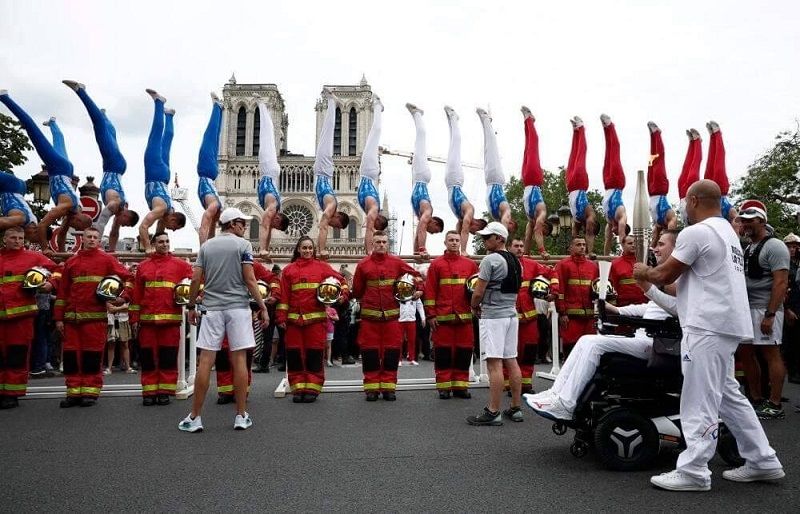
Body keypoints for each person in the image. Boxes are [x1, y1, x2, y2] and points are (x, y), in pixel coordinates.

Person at [634, 179, 784, 492]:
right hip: (723, 325)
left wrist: (643, 273)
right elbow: (687, 284)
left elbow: (665, 274)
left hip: (706, 327)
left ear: (693, 200)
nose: (684, 208)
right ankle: (762, 461)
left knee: (698, 398)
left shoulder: (697, 232)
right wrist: (652, 284)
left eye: (685, 202)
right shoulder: (728, 234)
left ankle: (694, 470)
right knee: (729, 398)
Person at [527, 230, 679, 421]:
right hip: (646, 335)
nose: (655, 249)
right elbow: (650, 307)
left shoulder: (680, 278)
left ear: (676, 247)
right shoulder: (667, 275)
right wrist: (616, 310)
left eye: (661, 244)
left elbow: (676, 309)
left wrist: (647, 286)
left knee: (593, 343)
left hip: (658, 343)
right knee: (585, 341)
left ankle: (567, 404)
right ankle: (555, 393)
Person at [180, 208, 267, 432]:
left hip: (212, 308)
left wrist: (191, 305)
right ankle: (240, 415)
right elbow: (249, 279)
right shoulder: (243, 246)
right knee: (239, 360)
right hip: (238, 308)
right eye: (242, 223)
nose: (245, 227)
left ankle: (195, 417)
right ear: (233, 224)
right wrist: (262, 305)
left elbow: (196, 278)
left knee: (206, 361)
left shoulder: (207, 246)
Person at [0, 91, 92, 251]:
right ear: (80, 220)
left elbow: (62, 234)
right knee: (33, 131)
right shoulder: (67, 206)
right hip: (57, 168)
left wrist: (62, 257)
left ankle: (53, 124)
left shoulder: (73, 211)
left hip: (66, 171)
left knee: (59, 142)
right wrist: (45, 249)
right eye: (77, 225)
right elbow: (43, 225)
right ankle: (5, 98)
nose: (71, 225)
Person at [54, 226, 132, 408]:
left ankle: (90, 393)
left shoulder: (107, 260)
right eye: (88, 236)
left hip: (95, 320)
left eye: (95, 237)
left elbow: (129, 278)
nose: (91, 239)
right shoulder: (72, 262)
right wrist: (58, 318)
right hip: (71, 320)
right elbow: (62, 293)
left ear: (99, 240)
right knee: (72, 358)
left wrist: (123, 297)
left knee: (92, 357)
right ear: (83, 239)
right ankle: (73, 393)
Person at [62, 80, 139, 251]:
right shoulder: (115, 206)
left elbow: (113, 233)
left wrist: (111, 252)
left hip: (115, 167)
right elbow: (102, 222)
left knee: (110, 134)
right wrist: (93, 243)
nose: (122, 225)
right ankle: (81, 91)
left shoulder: (119, 209)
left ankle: (104, 116)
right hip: (114, 166)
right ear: (127, 215)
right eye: (125, 224)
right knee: (100, 131)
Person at [734, 201, 790, 419]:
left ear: (762, 220)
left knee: (771, 354)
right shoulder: (749, 246)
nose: (745, 224)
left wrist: (770, 314)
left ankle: (775, 403)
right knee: (746, 353)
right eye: (743, 220)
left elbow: (781, 283)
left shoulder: (775, 246)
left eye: (749, 220)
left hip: (765, 309)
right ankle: (756, 398)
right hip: (747, 308)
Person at [275, 236, 347, 402]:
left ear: (313, 250)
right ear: (298, 249)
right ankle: (298, 388)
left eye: (310, 248)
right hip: (294, 322)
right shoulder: (288, 270)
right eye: (304, 248)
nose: (307, 251)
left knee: (314, 355)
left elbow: (341, 281)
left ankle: (313, 389)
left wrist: (342, 296)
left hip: (316, 322)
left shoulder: (322, 267)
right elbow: (284, 297)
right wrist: (281, 317)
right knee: (295, 356)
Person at [352, 231, 421, 401]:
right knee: (370, 353)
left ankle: (389, 388)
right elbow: (357, 290)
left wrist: (418, 289)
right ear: (372, 244)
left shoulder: (396, 262)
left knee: (391, 352)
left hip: (391, 318)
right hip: (369, 319)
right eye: (378, 242)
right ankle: (371, 388)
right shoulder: (363, 265)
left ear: (387, 244)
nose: (381, 245)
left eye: (384, 242)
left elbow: (416, 275)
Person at [466, 222, 523, 425]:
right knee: (512, 360)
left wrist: (474, 306)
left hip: (494, 316)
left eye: (487, 236)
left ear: (499, 238)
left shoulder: (490, 260)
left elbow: (478, 291)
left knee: (494, 364)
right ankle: (515, 408)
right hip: (511, 315)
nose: (484, 240)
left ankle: (493, 411)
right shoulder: (517, 261)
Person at [129, 232, 193, 406]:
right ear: (153, 244)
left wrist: (195, 298)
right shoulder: (143, 267)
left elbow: (195, 282)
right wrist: (134, 319)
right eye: (161, 242)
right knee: (148, 358)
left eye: (167, 241)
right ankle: (149, 392)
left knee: (168, 357)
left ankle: (164, 391)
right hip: (147, 322)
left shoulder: (180, 265)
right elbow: (136, 295)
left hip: (171, 322)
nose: (165, 244)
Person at [0, 226, 57, 409]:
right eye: (14, 238)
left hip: (21, 318)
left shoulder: (33, 257)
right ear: (4, 240)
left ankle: (12, 394)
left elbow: (58, 270)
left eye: (21, 238)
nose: (18, 241)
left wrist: (50, 283)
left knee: (17, 356)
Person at [424, 231, 478, 398]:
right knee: (443, 353)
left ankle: (461, 386)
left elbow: (476, 289)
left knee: (464, 352)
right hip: (443, 318)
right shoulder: (436, 264)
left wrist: (476, 307)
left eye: (457, 240)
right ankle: (444, 387)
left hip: (464, 317)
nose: (454, 243)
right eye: (451, 240)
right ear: (445, 243)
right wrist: (431, 315)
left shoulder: (470, 265)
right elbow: (430, 291)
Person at [139, 89, 186, 253]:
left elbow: (159, 232)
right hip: (155, 174)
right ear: (173, 218)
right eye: (174, 227)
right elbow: (143, 226)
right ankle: (159, 103)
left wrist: (156, 245)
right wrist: (147, 248)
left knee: (166, 144)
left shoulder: (165, 213)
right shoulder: (160, 209)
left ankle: (169, 116)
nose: (171, 230)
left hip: (163, 176)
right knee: (155, 138)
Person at [508, 237, 557, 394]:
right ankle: (510, 384)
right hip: (509, 317)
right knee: (511, 352)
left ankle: (526, 384)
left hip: (529, 317)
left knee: (529, 351)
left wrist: (554, 291)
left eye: (522, 246)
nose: (520, 248)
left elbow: (551, 272)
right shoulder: (502, 263)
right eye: (516, 245)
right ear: (509, 247)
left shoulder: (531, 264)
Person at [444, 106, 487, 254]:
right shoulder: (470, 210)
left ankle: (451, 120)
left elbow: (458, 231)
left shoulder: (461, 219)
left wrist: (457, 251)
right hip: (455, 180)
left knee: (452, 147)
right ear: (478, 224)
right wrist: (463, 251)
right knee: (455, 146)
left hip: (450, 182)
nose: (473, 232)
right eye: (475, 231)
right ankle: (454, 119)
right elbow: (465, 230)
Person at [314, 88, 350, 260]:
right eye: (337, 226)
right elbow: (322, 226)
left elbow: (323, 225)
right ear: (338, 219)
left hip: (321, 170)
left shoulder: (330, 206)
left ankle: (332, 103)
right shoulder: (331, 207)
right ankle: (332, 102)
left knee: (325, 136)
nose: (333, 226)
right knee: (327, 135)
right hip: (324, 170)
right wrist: (321, 250)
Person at [406, 103, 444, 258]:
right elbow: (422, 227)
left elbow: (418, 231)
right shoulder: (428, 211)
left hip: (418, 178)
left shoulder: (422, 216)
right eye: (434, 231)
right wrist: (422, 249)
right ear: (434, 222)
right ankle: (418, 115)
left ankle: (417, 116)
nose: (431, 233)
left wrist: (415, 252)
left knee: (418, 145)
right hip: (422, 177)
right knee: (420, 143)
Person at [255, 97, 290, 259]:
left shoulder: (273, 208)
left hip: (268, 170)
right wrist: (262, 249)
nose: (272, 226)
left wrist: (265, 250)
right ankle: (262, 104)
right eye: (276, 225)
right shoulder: (272, 208)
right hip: (268, 169)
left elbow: (267, 228)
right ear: (278, 219)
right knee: (267, 135)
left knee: (267, 137)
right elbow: (264, 225)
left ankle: (264, 106)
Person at [354, 95, 388, 255]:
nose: (374, 220)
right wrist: (369, 251)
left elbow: (369, 228)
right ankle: (378, 108)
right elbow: (369, 229)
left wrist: (369, 251)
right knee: (374, 134)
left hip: (366, 171)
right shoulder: (374, 209)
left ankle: (377, 108)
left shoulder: (371, 209)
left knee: (373, 136)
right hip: (369, 171)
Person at [554, 237, 598, 356]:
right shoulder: (562, 265)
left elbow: (597, 290)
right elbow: (560, 290)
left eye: (584, 244)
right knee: (571, 350)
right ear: (571, 248)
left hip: (589, 317)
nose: (582, 247)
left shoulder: (593, 266)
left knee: (589, 351)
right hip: (570, 317)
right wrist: (562, 313)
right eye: (578, 244)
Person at [477, 108, 516, 235]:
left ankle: (486, 123)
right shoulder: (506, 211)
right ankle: (486, 120)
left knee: (488, 150)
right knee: (491, 148)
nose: (506, 226)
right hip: (496, 180)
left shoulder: (496, 217)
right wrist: (503, 236)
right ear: (511, 223)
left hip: (489, 181)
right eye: (508, 228)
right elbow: (505, 220)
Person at [565, 116, 598, 252]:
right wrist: (590, 253)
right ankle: (582, 128)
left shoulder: (577, 221)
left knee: (573, 155)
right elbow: (589, 235)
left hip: (570, 186)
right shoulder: (589, 216)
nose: (588, 228)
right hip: (580, 184)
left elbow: (574, 237)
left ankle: (575, 131)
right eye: (590, 228)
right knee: (581, 155)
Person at [520, 107, 549, 259]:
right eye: (544, 232)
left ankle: (527, 121)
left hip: (526, 182)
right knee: (533, 146)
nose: (541, 233)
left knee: (527, 148)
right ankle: (529, 120)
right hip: (534, 179)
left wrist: (526, 253)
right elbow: (537, 229)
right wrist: (542, 250)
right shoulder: (542, 212)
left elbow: (528, 236)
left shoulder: (530, 220)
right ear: (545, 225)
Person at [197, 94, 225, 245]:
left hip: (210, 174)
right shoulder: (214, 205)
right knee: (210, 138)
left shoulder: (216, 206)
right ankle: (217, 107)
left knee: (213, 139)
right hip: (206, 172)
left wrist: (206, 248)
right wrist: (203, 248)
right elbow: (204, 227)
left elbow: (209, 230)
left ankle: (219, 109)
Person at [647, 121, 678, 248]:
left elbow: (653, 244)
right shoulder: (669, 217)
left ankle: (652, 137)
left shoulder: (657, 226)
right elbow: (673, 223)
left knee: (651, 161)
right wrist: (667, 233)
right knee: (659, 161)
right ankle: (657, 135)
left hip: (651, 191)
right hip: (660, 189)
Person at [600, 114, 628, 255]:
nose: (613, 231)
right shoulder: (621, 217)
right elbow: (622, 236)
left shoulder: (609, 221)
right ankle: (610, 126)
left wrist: (604, 258)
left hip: (607, 184)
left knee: (607, 152)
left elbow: (607, 241)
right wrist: (624, 252)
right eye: (615, 232)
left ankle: (605, 128)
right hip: (617, 183)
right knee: (614, 151)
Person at [704, 121, 737, 222]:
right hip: (720, 191)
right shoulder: (730, 212)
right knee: (718, 163)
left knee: (710, 163)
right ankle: (717, 134)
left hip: (708, 194)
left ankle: (712, 136)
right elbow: (737, 221)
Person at [610, 235, 648, 307]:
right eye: (630, 243)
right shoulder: (615, 264)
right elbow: (613, 286)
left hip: (644, 305)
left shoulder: (644, 261)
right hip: (624, 306)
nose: (633, 245)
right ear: (623, 245)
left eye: (635, 243)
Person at [0, 172, 38, 241]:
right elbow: (3, 222)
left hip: (19, 189)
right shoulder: (22, 219)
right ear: (34, 229)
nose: (24, 235)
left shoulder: (32, 222)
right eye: (27, 236)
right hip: (10, 185)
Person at [783, 233, 800, 385]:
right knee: (787, 344)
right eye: (790, 246)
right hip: (787, 307)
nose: (793, 250)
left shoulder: (796, 264)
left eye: (795, 247)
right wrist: (787, 309)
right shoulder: (783, 264)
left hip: (797, 305)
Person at [678, 128, 702, 225]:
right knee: (694, 167)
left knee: (686, 167)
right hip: (690, 196)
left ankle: (691, 142)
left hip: (682, 197)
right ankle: (697, 142)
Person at [105, 299, 133, 374]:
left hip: (123, 319)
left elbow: (127, 307)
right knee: (111, 345)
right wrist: (121, 307)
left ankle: (128, 367)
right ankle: (109, 368)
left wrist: (115, 308)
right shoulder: (110, 290)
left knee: (125, 344)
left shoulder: (126, 290)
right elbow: (108, 306)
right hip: (112, 320)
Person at [398, 296, 424, 366]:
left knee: (412, 340)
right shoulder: (400, 294)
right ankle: (399, 359)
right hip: (400, 320)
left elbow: (420, 306)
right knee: (399, 341)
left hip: (412, 320)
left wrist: (423, 318)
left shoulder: (415, 296)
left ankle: (411, 359)